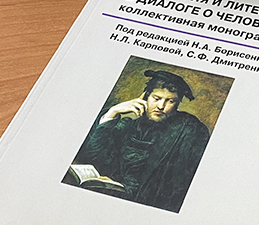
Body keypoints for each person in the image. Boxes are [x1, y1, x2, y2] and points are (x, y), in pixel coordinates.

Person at [75, 70, 210, 212]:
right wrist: (112, 112)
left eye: (170, 101)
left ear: (176, 105)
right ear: (145, 97)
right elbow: (93, 157)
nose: (161, 106)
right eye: (156, 98)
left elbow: (179, 186)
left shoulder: (188, 130)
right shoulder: (126, 126)